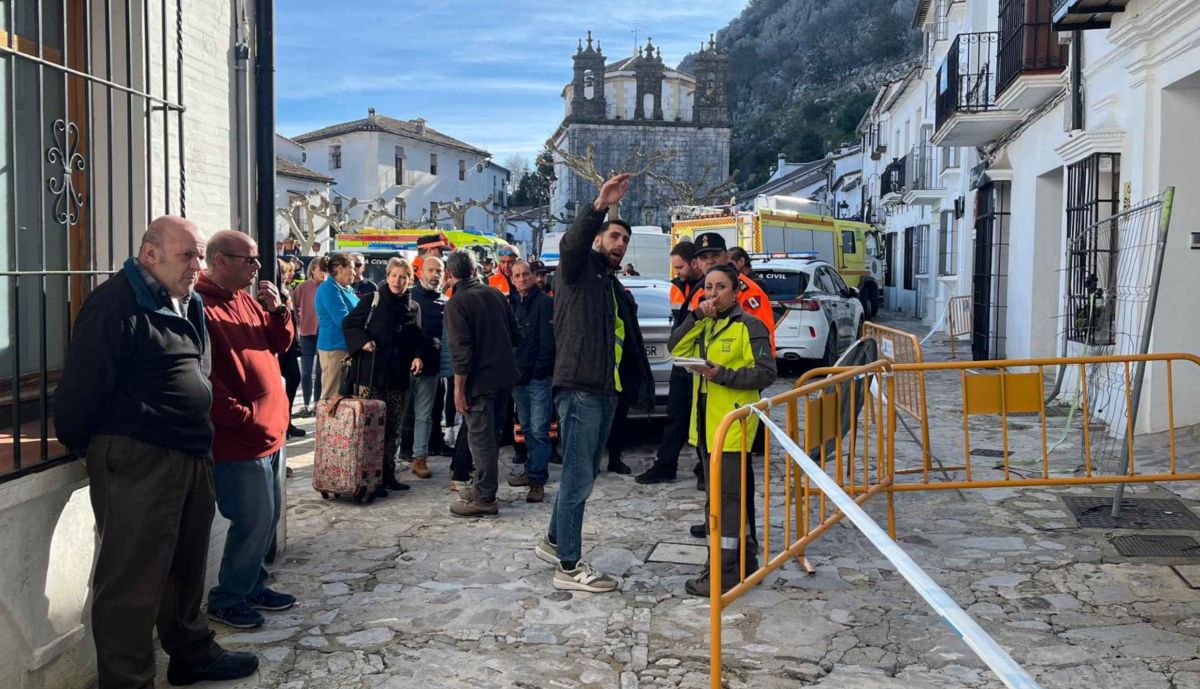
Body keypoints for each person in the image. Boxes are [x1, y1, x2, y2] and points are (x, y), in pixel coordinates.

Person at [55, 216, 258, 688]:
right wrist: (92, 447)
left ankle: (192, 656)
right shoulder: (115, 304)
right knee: (131, 582)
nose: (197, 266)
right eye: (188, 255)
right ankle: (128, 682)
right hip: (140, 457)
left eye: (200, 256)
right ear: (150, 254)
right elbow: (81, 389)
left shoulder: (185, 301)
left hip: (189, 450)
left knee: (186, 568)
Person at [533, 174, 653, 593]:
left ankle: (553, 542)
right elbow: (572, 245)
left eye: (626, 240)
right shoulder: (577, 270)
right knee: (577, 479)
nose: (620, 244)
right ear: (597, 239)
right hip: (580, 389)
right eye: (614, 236)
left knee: (581, 474)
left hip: (603, 391)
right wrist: (599, 205)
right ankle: (568, 567)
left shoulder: (608, 284)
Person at [195, 230, 297, 629]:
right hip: (240, 439)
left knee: (267, 518)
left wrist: (278, 310)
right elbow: (206, 380)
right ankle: (228, 597)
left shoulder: (246, 299)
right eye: (248, 260)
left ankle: (253, 584)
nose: (257, 267)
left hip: (269, 431)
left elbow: (280, 344)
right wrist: (244, 418)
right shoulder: (201, 307)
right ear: (220, 260)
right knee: (252, 519)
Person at [668, 264, 776, 597]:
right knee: (724, 500)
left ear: (736, 291)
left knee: (724, 503)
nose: (713, 294)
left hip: (733, 427)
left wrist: (723, 375)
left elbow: (766, 373)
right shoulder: (707, 324)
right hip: (705, 426)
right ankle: (744, 561)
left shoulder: (750, 326)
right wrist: (695, 317)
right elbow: (676, 348)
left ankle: (723, 572)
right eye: (708, 288)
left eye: (721, 287)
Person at [443, 249, 520, 517]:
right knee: (491, 437)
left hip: (480, 383)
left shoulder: (456, 303)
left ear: (450, 274)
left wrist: (458, 389)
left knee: (481, 441)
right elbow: (516, 335)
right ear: (475, 270)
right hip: (503, 379)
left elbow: (461, 352)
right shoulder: (495, 294)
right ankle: (482, 488)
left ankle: (485, 498)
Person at [343, 257, 424, 496]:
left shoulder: (413, 307)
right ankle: (368, 477)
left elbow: (417, 338)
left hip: (397, 376)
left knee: (392, 428)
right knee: (369, 428)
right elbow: (349, 324)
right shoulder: (372, 300)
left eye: (403, 277)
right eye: (394, 275)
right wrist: (363, 341)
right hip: (371, 374)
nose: (397, 281)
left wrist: (418, 356)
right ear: (387, 277)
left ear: (409, 280)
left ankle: (387, 474)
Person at [637, 240, 706, 486]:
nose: (676, 272)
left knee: (701, 419)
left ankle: (704, 470)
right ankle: (665, 465)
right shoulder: (676, 287)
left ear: (694, 263)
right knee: (675, 416)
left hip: (701, 362)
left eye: (679, 267)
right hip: (680, 361)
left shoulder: (707, 287)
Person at [506, 260, 555, 502]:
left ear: (533, 276)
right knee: (526, 428)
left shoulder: (545, 303)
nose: (522, 279)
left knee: (539, 429)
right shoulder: (511, 303)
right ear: (512, 279)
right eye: (517, 275)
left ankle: (537, 479)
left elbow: (548, 342)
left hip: (537, 378)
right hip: (517, 377)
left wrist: (537, 371)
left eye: (525, 274)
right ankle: (531, 469)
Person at [692, 232, 777, 351]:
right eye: (704, 257)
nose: (710, 261)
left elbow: (763, 338)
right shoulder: (698, 294)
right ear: (697, 263)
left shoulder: (749, 292)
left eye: (715, 255)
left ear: (727, 257)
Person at [405, 255, 447, 480]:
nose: (435, 275)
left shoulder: (446, 301)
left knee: (424, 415)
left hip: (431, 367)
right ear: (420, 272)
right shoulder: (408, 296)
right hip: (404, 366)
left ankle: (419, 456)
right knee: (400, 414)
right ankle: (390, 457)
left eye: (438, 271)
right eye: (430, 270)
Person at [314, 253, 359, 400]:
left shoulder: (347, 288)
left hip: (347, 347)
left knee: (343, 398)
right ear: (340, 268)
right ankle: (326, 417)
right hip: (334, 348)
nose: (355, 272)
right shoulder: (329, 289)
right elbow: (343, 319)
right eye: (352, 268)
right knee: (331, 396)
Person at [292, 255, 326, 415]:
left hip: (324, 333)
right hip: (307, 333)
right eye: (321, 269)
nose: (324, 273)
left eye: (326, 270)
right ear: (313, 270)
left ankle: (317, 403)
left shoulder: (329, 287)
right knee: (305, 372)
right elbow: (293, 305)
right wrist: (299, 322)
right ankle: (306, 404)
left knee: (320, 371)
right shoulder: (303, 287)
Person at [276, 258, 305, 438]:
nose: (288, 275)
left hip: (291, 344)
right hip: (280, 347)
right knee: (282, 383)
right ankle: (281, 423)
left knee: (294, 378)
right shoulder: (274, 293)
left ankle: (287, 420)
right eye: (285, 271)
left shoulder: (286, 291)